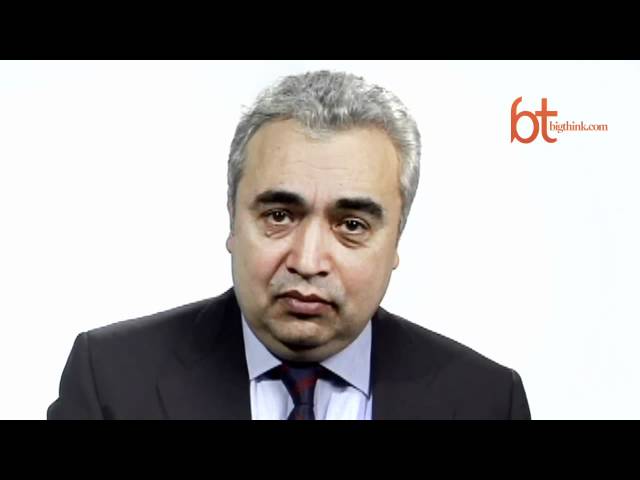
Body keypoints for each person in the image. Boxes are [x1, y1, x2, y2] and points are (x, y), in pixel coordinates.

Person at [48, 70, 531, 420]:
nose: (307, 261)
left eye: (352, 225)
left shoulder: (486, 402)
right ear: (233, 218)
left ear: (397, 238)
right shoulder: (111, 382)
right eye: (279, 216)